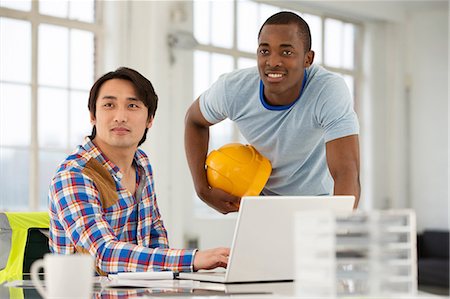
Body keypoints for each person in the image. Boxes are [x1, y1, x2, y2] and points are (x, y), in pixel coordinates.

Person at [48, 67, 229, 274]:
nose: (120, 117)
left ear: (150, 119)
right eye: (109, 105)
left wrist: (172, 280)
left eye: (132, 105)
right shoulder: (74, 175)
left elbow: (154, 235)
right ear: (93, 116)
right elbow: (102, 254)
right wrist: (193, 259)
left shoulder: (141, 163)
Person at [185, 11, 360, 214]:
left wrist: (339, 230)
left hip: (319, 204)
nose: (273, 61)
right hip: (261, 203)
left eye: (286, 52)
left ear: (308, 59)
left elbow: (347, 172)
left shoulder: (328, 90)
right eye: (265, 51)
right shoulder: (233, 89)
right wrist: (202, 190)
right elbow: (194, 120)